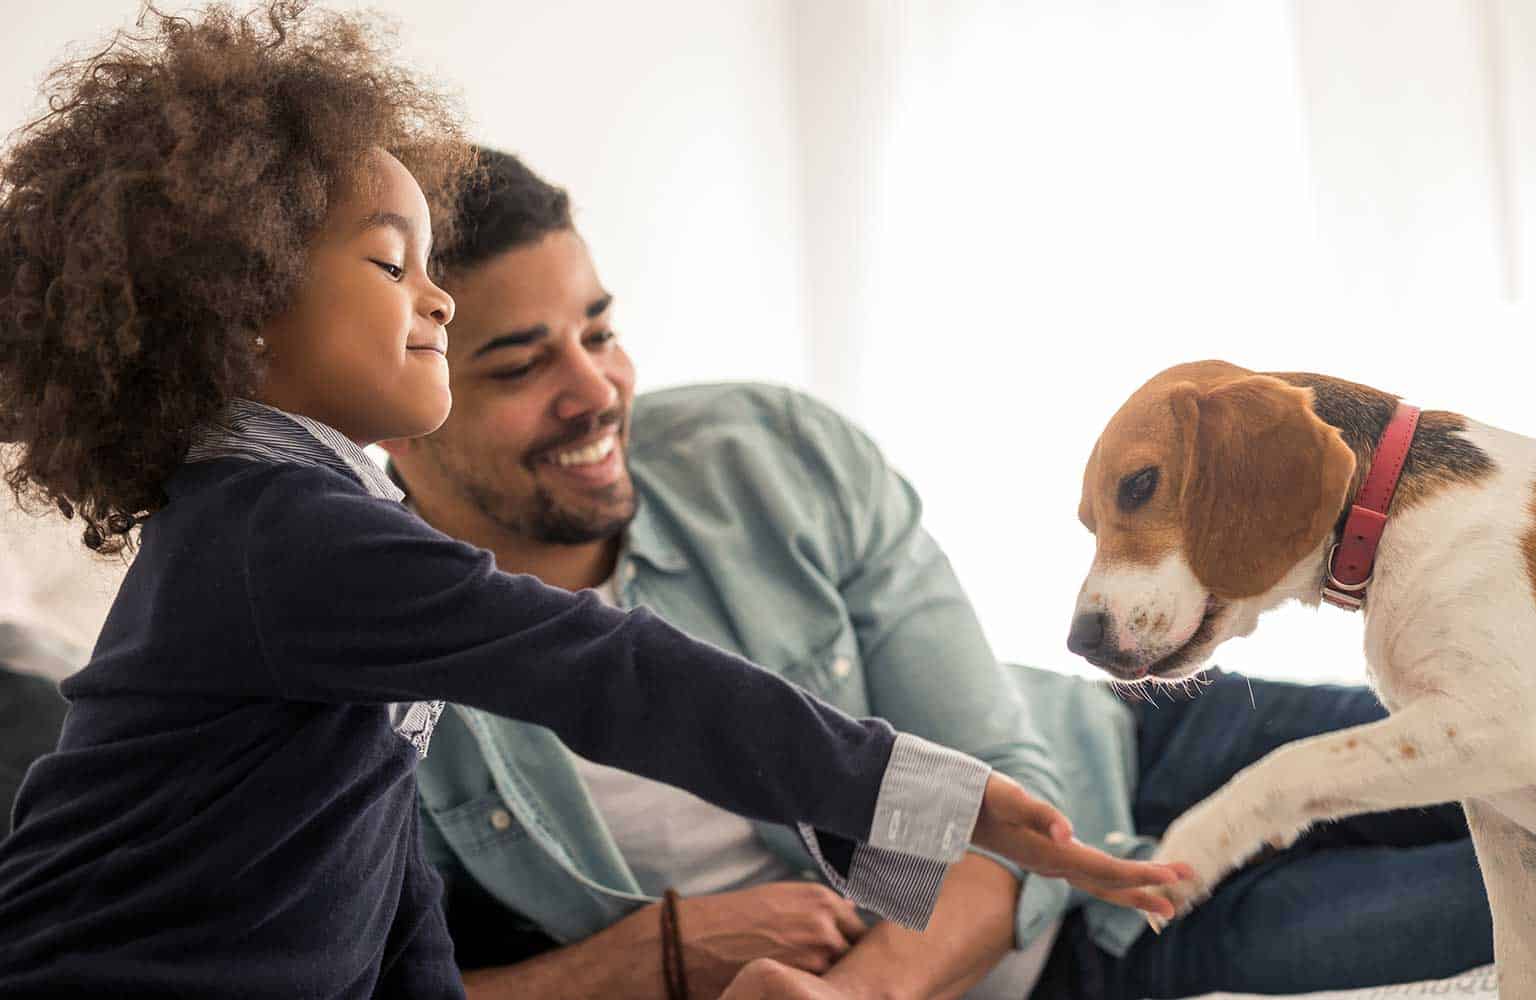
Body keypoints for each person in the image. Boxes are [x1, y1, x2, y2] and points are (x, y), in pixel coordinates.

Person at [0, 6, 1176, 996]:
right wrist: (922, 795)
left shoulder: (309, 530)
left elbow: (375, 873)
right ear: (243, 305)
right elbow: (613, 672)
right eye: (390, 264)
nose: (438, 303)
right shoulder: (277, 536)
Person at [392, 148, 1536, 1000]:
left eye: (602, 330)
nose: (596, 391)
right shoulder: (372, 657)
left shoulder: (767, 453)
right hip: (1100, 950)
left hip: (1126, 740)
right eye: (520, 366)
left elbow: (993, 767)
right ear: (408, 394)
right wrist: (634, 966)